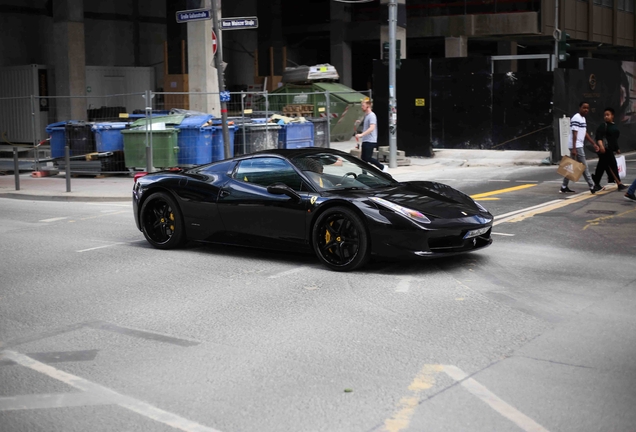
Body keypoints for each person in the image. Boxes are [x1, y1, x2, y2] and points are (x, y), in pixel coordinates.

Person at [560, 102, 598, 194]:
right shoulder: (576, 118)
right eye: (584, 107)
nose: (586, 110)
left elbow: (585, 133)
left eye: (587, 108)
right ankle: (592, 186)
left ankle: (564, 186)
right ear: (579, 108)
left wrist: (593, 143)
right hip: (576, 145)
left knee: (571, 166)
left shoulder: (583, 119)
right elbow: (574, 133)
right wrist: (574, 148)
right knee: (584, 166)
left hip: (578, 145)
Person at [592, 107, 627, 192]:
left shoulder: (614, 126)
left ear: (612, 116)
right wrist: (601, 146)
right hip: (605, 150)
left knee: (602, 166)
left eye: (608, 115)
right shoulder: (603, 126)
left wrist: (617, 148)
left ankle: (596, 182)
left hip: (610, 149)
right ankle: (619, 183)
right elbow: (599, 137)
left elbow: (614, 140)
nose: (606, 117)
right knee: (612, 166)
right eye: (605, 115)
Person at [355, 99, 387, 172]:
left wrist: (361, 135)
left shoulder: (372, 115)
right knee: (363, 159)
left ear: (368, 106)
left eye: (363, 105)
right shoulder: (367, 115)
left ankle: (382, 167)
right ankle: (364, 174)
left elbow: (372, 128)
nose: (361, 107)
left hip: (370, 140)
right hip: (366, 140)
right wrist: (359, 121)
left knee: (368, 158)